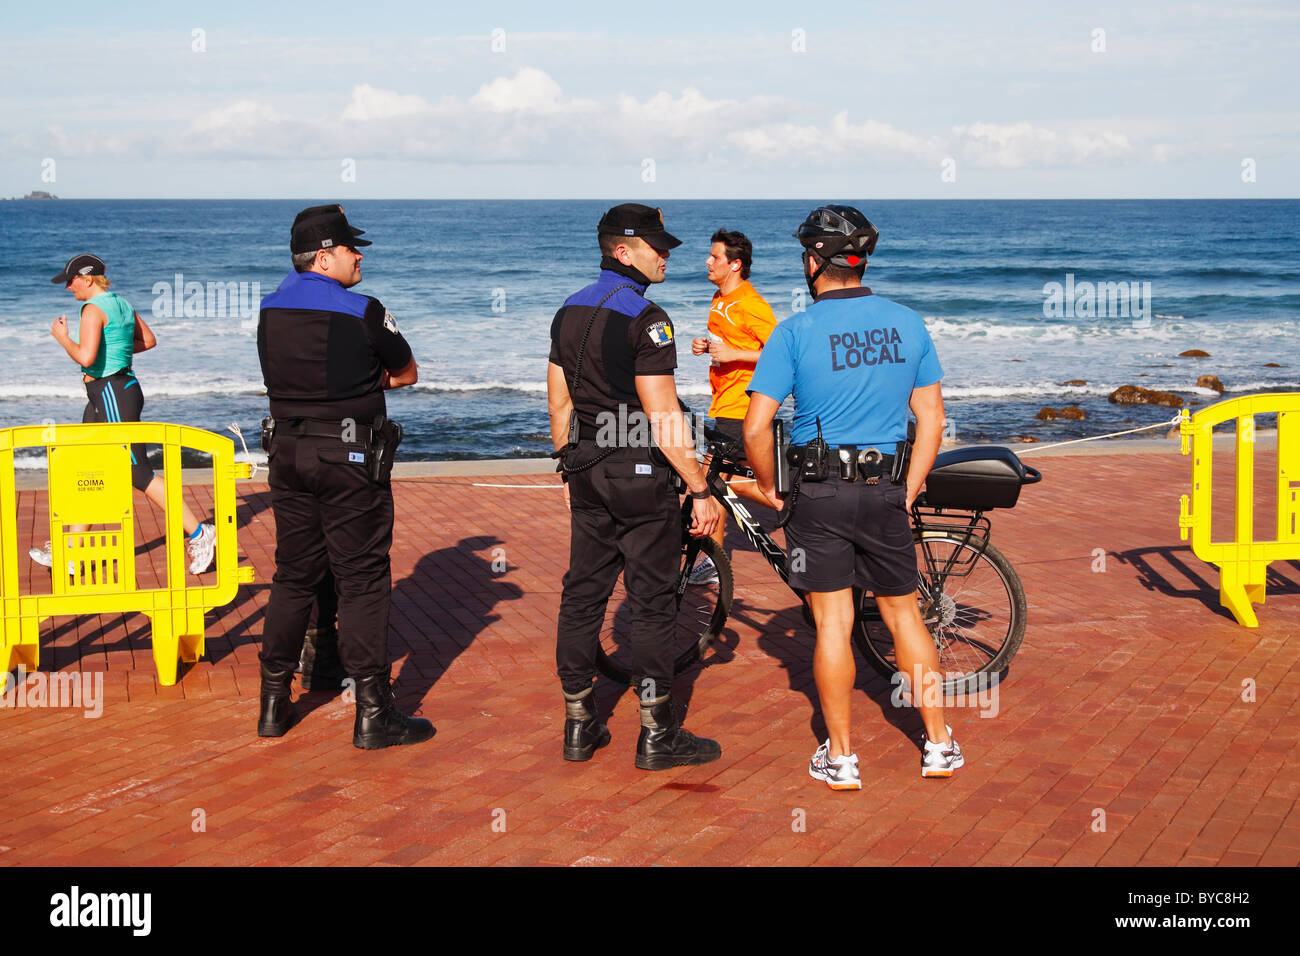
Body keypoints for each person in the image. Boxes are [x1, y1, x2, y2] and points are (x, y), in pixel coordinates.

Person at [743, 204, 958, 787]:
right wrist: (906, 490)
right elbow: (932, 420)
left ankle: (841, 758)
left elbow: (755, 426)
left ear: (815, 261)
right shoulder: (908, 323)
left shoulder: (794, 331)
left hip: (818, 493)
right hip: (885, 487)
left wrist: (767, 484)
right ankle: (937, 743)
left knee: (833, 624)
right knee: (903, 616)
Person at [548, 202, 724, 769]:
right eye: (656, 246)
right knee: (650, 602)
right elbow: (664, 414)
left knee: (583, 593)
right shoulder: (647, 317)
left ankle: (579, 723)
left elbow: (559, 404)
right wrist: (698, 487)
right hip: (638, 470)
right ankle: (657, 734)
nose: (666, 255)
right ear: (623, 251)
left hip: (585, 465)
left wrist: (570, 461)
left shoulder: (568, 310)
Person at [255, 204, 433, 750]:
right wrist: (363, 382)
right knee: (361, 578)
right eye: (352, 248)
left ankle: (273, 703)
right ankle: (374, 714)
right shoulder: (363, 310)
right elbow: (407, 371)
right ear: (326, 255)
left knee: (293, 575)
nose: (360, 255)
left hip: (286, 452)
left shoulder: (269, 307)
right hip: (350, 455)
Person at [35, 254, 215, 575]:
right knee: (87, 465)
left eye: (71, 280)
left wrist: (62, 338)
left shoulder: (92, 309)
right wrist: (114, 348)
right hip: (113, 391)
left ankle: (200, 533)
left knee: (137, 471)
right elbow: (148, 340)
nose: (67, 287)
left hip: (112, 392)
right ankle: (72, 551)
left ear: (88, 279)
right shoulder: (121, 303)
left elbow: (87, 357)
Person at [686, 228, 777, 584]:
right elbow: (725, 342)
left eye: (715, 257)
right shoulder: (719, 297)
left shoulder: (750, 304)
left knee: (713, 481)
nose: (707, 261)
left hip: (741, 407)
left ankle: (713, 561)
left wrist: (734, 354)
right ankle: (802, 504)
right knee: (725, 481)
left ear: (735, 264)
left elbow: (781, 354)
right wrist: (705, 346)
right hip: (724, 402)